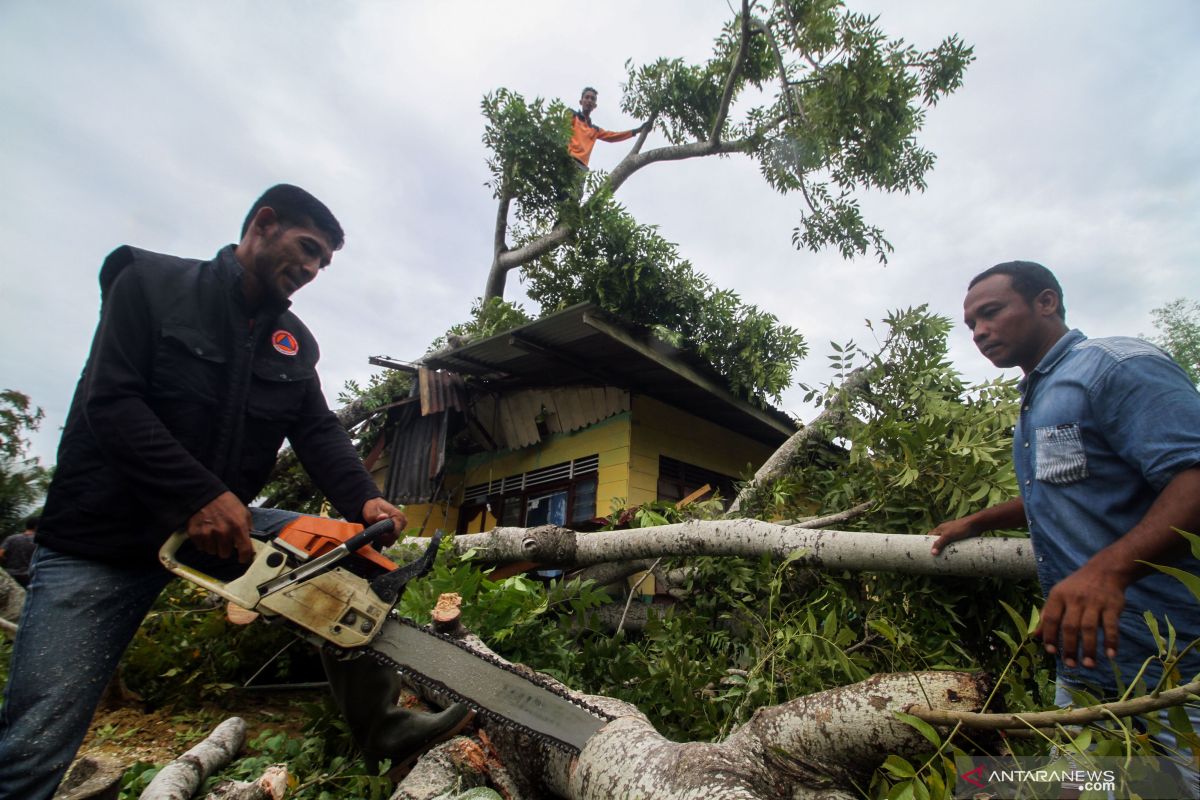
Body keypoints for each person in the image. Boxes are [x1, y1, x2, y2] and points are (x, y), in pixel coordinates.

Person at [0, 185, 470, 800]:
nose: (310, 269)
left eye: (322, 263)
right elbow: (111, 403)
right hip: (103, 535)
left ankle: (383, 726)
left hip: (224, 529)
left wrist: (363, 499)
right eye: (306, 249)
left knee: (354, 559)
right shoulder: (149, 284)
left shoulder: (293, 344)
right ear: (262, 224)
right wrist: (198, 495)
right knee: (37, 741)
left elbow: (316, 429)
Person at [930, 261, 1200, 776]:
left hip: (1173, 658)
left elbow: (1194, 476)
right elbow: (1061, 489)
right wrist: (979, 521)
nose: (980, 332)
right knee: (1077, 782)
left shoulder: (1117, 368)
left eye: (991, 313)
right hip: (1084, 655)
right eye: (971, 326)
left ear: (1046, 302)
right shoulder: (1039, 396)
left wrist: (1109, 571)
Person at [568, 86, 648, 169]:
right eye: (587, 97)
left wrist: (636, 131)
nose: (589, 100)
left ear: (595, 105)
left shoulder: (595, 130)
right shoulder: (572, 116)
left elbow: (612, 136)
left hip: (582, 166)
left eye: (592, 99)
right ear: (581, 102)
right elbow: (561, 129)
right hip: (568, 158)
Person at [0, 514, 38, 587]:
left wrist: (5, 562)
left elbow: (0, 554)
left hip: (10, 575)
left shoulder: (11, 538)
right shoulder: (39, 542)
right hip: (29, 576)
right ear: (36, 526)